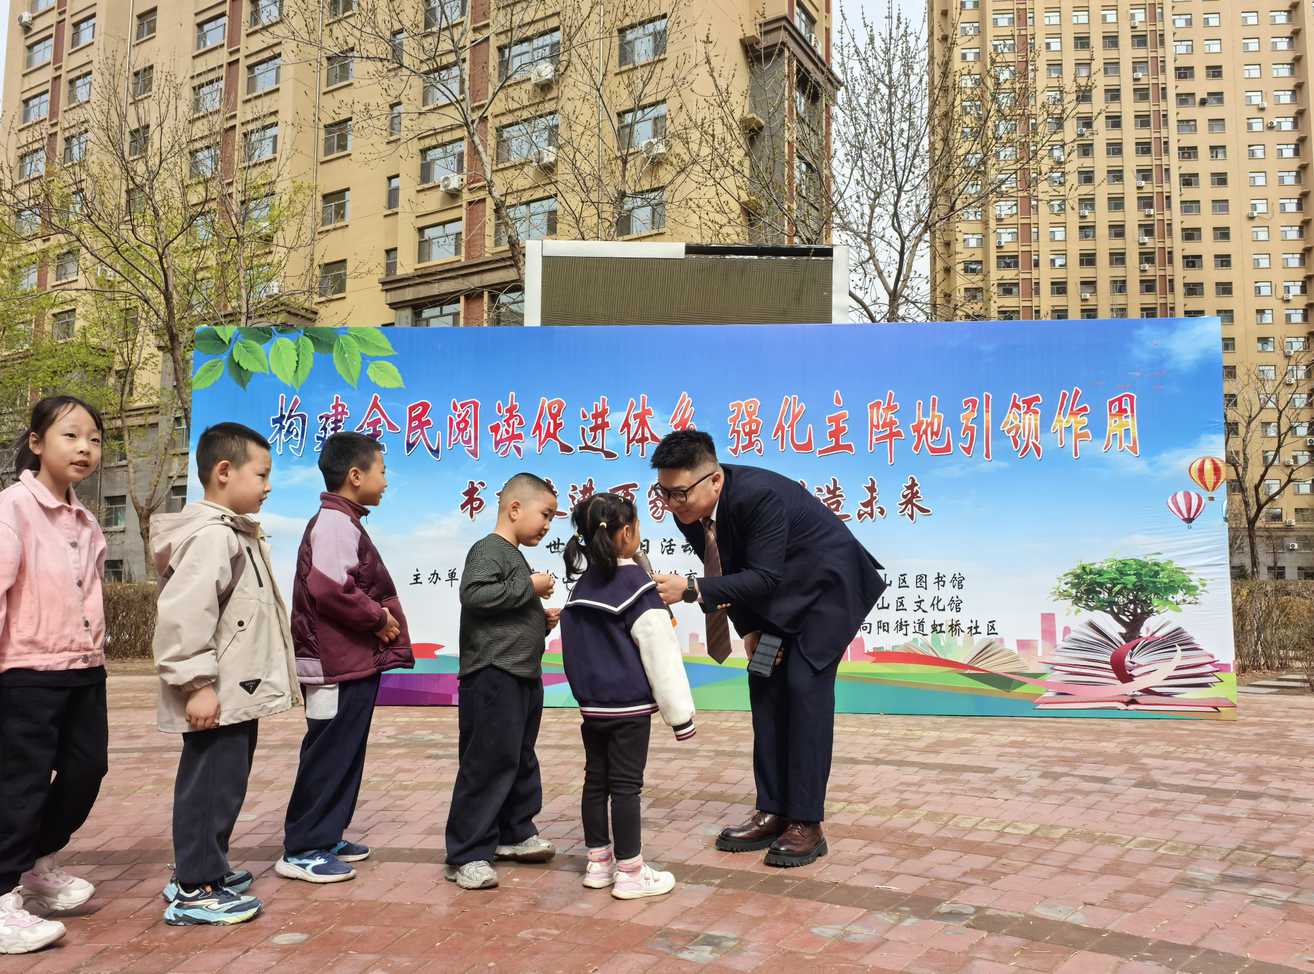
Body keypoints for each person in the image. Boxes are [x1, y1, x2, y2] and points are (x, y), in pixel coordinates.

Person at [649, 430, 887, 868]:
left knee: (803, 691)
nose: (672, 503)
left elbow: (760, 577)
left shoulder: (759, 496)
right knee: (764, 686)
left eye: (680, 492)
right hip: (775, 601)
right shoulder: (689, 513)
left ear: (714, 480)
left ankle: (806, 823)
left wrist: (691, 589)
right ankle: (772, 810)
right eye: (664, 493)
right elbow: (725, 568)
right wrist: (749, 629)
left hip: (825, 594)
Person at [152, 423, 300, 925]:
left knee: (224, 783)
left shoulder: (235, 532)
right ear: (223, 472)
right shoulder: (213, 537)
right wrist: (197, 685)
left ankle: (206, 869)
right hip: (215, 691)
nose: (268, 485)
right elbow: (185, 614)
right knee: (210, 785)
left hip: (233, 688)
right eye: (261, 474)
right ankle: (195, 888)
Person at [277, 432, 414, 883]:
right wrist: (378, 619)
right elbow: (329, 587)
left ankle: (326, 835)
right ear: (355, 476)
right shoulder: (335, 522)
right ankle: (303, 849)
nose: (386, 481)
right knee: (328, 753)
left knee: (343, 751)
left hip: (347, 662)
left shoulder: (344, 520)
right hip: (333, 666)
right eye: (382, 471)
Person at [0, 396, 109, 954]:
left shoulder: (86, 519)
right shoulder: (13, 509)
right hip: (26, 670)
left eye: (94, 439)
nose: (84, 448)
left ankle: (35, 865)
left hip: (84, 666)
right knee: (20, 784)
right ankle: (2, 896)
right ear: (37, 443)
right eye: (70, 435)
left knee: (88, 769)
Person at [559, 492, 695, 900]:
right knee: (626, 787)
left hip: (592, 708)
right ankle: (632, 873)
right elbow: (661, 655)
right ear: (625, 533)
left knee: (595, 782)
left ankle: (598, 864)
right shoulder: (637, 586)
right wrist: (681, 718)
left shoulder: (579, 588)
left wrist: (586, 696)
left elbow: (572, 652)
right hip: (629, 710)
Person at [444, 473, 560, 890]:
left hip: (521, 674)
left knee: (518, 757)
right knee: (487, 763)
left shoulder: (512, 554)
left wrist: (540, 620)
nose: (548, 525)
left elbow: (503, 612)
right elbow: (475, 595)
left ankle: (514, 832)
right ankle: (467, 854)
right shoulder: (488, 550)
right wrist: (529, 586)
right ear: (514, 509)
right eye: (545, 514)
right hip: (493, 675)